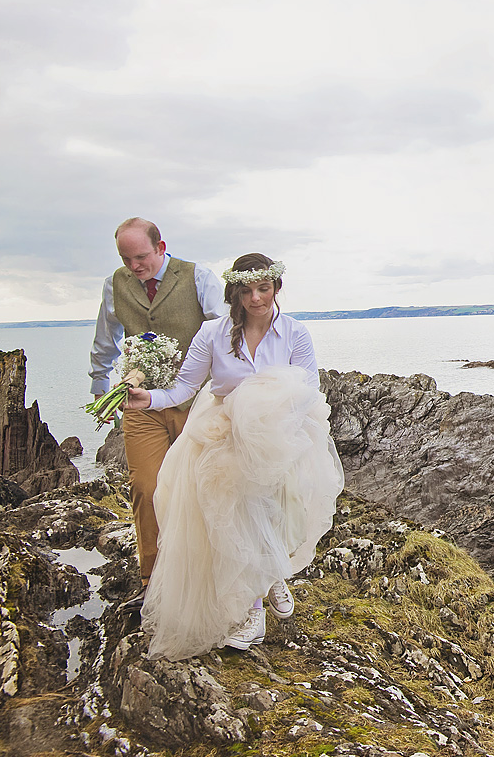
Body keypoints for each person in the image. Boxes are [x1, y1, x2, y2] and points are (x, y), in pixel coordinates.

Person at [124, 253, 344, 657]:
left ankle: (271, 570)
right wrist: (148, 398)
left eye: (264, 289)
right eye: (247, 291)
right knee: (233, 504)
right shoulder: (212, 334)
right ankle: (252, 610)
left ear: (276, 288)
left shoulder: (295, 333)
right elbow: (183, 388)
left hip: (282, 432)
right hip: (222, 429)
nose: (256, 299)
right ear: (235, 293)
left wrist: (270, 434)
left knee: (270, 505)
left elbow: (309, 389)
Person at [89, 217, 225, 606]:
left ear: (161, 247)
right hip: (141, 404)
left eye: (141, 256)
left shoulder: (199, 278)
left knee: (203, 491)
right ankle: (152, 584)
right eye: (126, 258)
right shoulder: (114, 285)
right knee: (146, 489)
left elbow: (224, 331)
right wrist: (100, 385)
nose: (134, 266)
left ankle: (207, 579)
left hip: (198, 404)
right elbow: (106, 338)